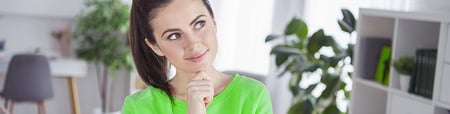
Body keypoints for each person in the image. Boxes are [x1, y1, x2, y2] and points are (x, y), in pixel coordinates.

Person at [123, 0, 273, 113]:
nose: (193, 44)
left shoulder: (253, 95)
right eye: (174, 36)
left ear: (213, 22)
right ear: (154, 46)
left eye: (199, 24)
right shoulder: (139, 107)